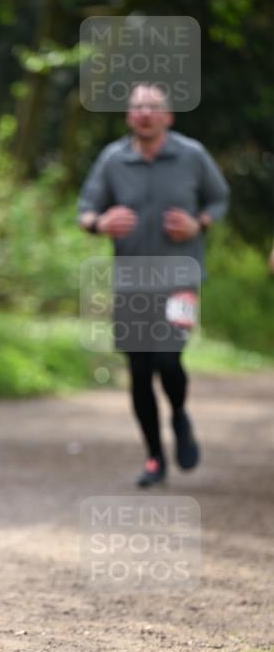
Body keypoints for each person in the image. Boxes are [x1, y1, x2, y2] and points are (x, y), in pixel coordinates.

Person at [79, 83, 230, 487]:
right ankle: (153, 457)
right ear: (130, 116)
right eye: (138, 107)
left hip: (181, 277)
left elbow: (219, 199)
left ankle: (179, 416)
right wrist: (101, 223)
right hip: (131, 282)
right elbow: (86, 211)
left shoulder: (192, 155)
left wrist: (199, 223)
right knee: (140, 370)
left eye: (153, 107)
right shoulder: (113, 159)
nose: (145, 113)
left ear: (168, 116)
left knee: (167, 358)